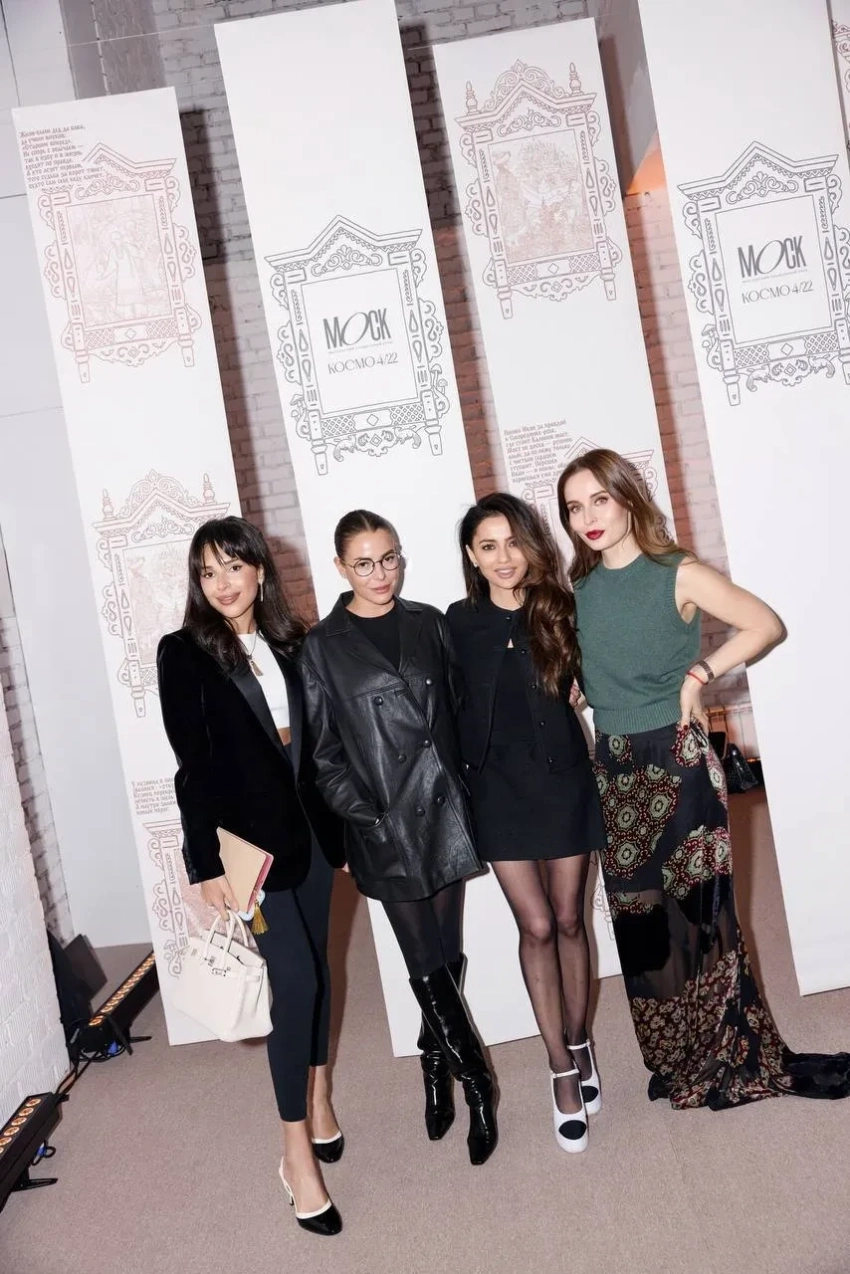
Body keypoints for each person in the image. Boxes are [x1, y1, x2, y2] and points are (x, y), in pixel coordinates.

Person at [557, 449, 850, 1109]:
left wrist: (700, 673)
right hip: (616, 771)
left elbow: (765, 624)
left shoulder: (677, 572)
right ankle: (679, 1057)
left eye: (599, 499)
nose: (588, 517)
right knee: (640, 921)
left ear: (628, 498)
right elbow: (601, 672)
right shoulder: (581, 589)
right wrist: (579, 688)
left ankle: (724, 1056)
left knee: (700, 916)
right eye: (574, 507)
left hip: (677, 760)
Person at [157, 517, 346, 1236]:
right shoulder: (184, 653)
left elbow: (322, 745)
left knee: (321, 972)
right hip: (248, 852)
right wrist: (205, 865)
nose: (222, 583)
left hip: (314, 839)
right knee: (293, 984)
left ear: (260, 571)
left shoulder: (293, 642)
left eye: (233, 567)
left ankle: (319, 1096)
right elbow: (193, 769)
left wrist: (346, 829)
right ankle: (295, 1154)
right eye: (207, 572)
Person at [299, 510, 498, 1165]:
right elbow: (323, 755)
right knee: (424, 960)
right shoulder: (321, 648)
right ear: (340, 568)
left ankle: (434, 1066)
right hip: (386, 826)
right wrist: (368, 816)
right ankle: (478, 1082)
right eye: (364, 563)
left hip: (443, 812)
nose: (380, 574)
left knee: (445, 952)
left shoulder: (428, 623)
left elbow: (460, 710)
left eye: (389, 558)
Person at [446, 494, 607, 1153]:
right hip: (498, 790)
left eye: (513, 542)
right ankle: (561, 1067)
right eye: (488, 546)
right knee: (535, 925)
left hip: (563, 780)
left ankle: (580, 1036)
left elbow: (597, 676)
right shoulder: (457, 623)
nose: (504, 557)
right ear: (471, 556)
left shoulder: (561, 607)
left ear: (531, 545)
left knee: (569, 920)